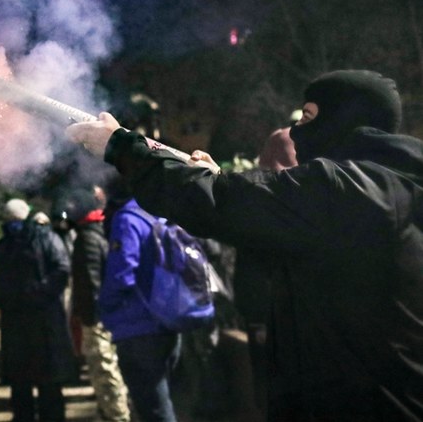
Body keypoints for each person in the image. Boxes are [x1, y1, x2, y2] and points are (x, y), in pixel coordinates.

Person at [66, 69, 423, 421]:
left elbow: (229, 204)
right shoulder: (387, 186)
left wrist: (122, 147)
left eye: (310, 117)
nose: (297, 130)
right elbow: (271, 211)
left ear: (346, 120)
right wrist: (218, 179)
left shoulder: (350, 188)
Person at [99, 181, 183, 422]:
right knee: (166, 402)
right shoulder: (160, 213)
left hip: (138, 327)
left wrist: (104, 308)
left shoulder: (128, 219)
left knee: (153, 409)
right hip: (169, 321)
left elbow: (121, 275)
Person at [0, 198, 76, 422]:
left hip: (42, 323)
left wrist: (34, 293)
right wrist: (2, 299)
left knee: (46, 385)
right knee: (24, 387)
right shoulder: (6, 244)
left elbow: (61, 270)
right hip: (20, 325)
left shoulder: (43, 238)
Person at [233, 126, 297, 414]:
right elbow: (254, 269)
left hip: (278, 318)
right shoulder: (281, 201)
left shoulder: (259, 200)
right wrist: (259, 319)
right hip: (275, 317)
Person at [70, 185, 132, 422]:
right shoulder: (99, 231)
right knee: (108, 369)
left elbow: (91, 281)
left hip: (96, 318)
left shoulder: (87, 238)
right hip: (104, 315)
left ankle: (117, 415)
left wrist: (92, 317)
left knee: (104, 370)